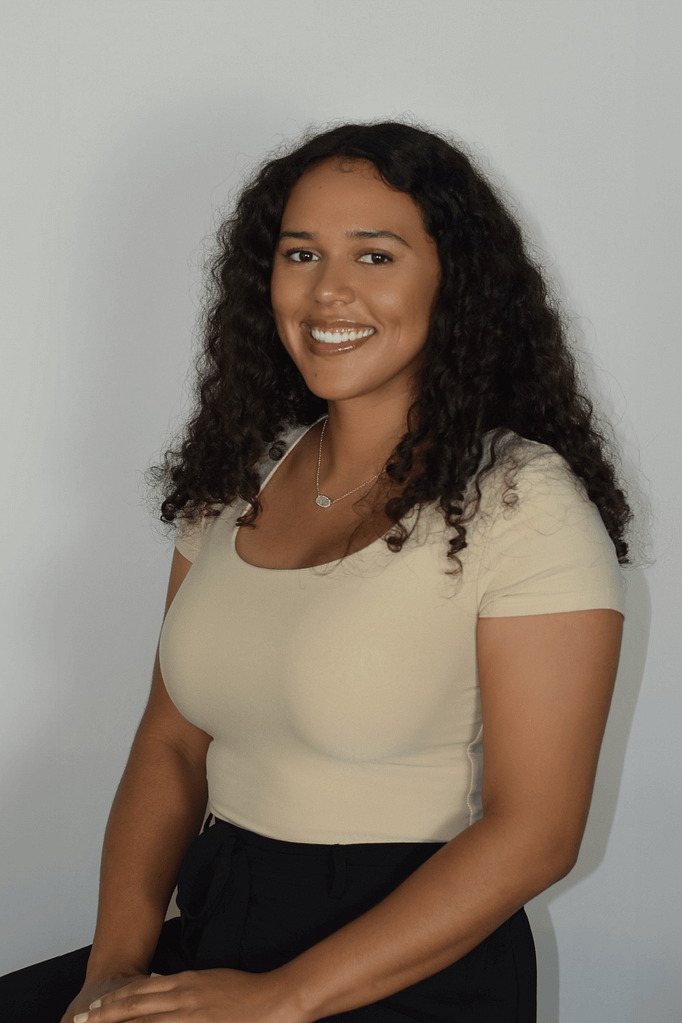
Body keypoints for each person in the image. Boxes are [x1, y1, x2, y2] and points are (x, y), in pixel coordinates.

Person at [2, 121, 629, 1023]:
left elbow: (536, 832)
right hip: (222, 925)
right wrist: (112, 972)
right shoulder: (237, 479)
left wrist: (279, 1000)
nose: (328, 288)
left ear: (454, 279)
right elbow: (170, 743)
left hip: (411, 959)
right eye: (301, 253)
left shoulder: (522, 501)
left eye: (375, 255)